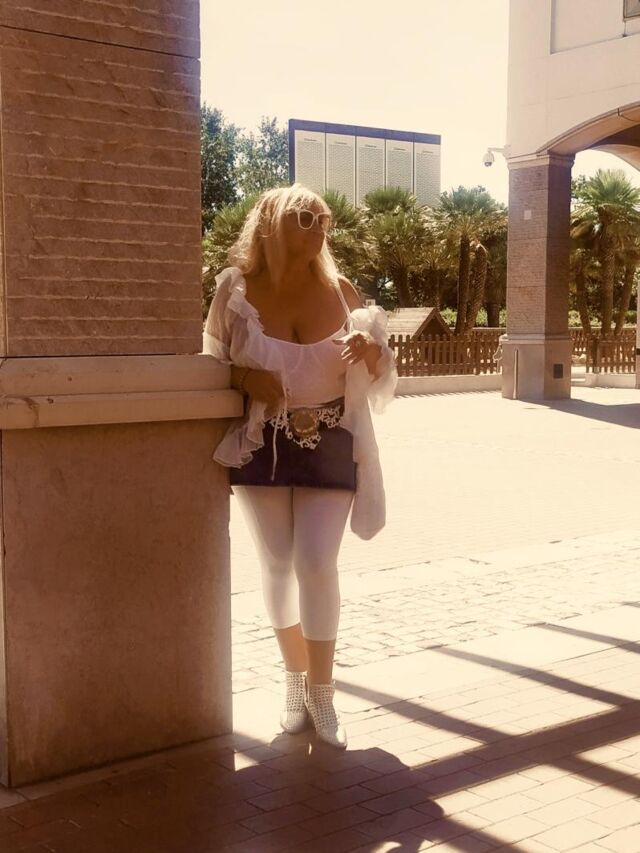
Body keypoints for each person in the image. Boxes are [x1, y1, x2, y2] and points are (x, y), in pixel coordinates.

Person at [203, 184, 397, 749]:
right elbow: (207, 365)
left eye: (324, 220)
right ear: (272, 222)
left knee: (316, 562)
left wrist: (373, 354)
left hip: (330, 438)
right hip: (260, 441)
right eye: (305, 218)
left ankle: (323, 692)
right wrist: (244, 377)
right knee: (278, 563)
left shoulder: (340, 291)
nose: (318, 230)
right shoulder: (233, 289)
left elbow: (382, 376)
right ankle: (294, 681)